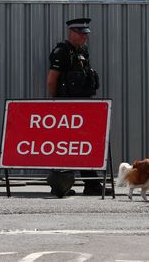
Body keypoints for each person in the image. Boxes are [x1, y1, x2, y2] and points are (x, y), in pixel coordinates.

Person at [45, 17, 110, 197]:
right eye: (81, 34)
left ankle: (92, 185)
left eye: (86, 34)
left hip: (83, 105)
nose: (84, 37)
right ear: (72, 33)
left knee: (84, 145)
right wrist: (56, 103)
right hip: (66, 106)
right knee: (66, 146)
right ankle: (59, 186)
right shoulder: (62, 51)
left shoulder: (82, 51)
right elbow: (52, 80)